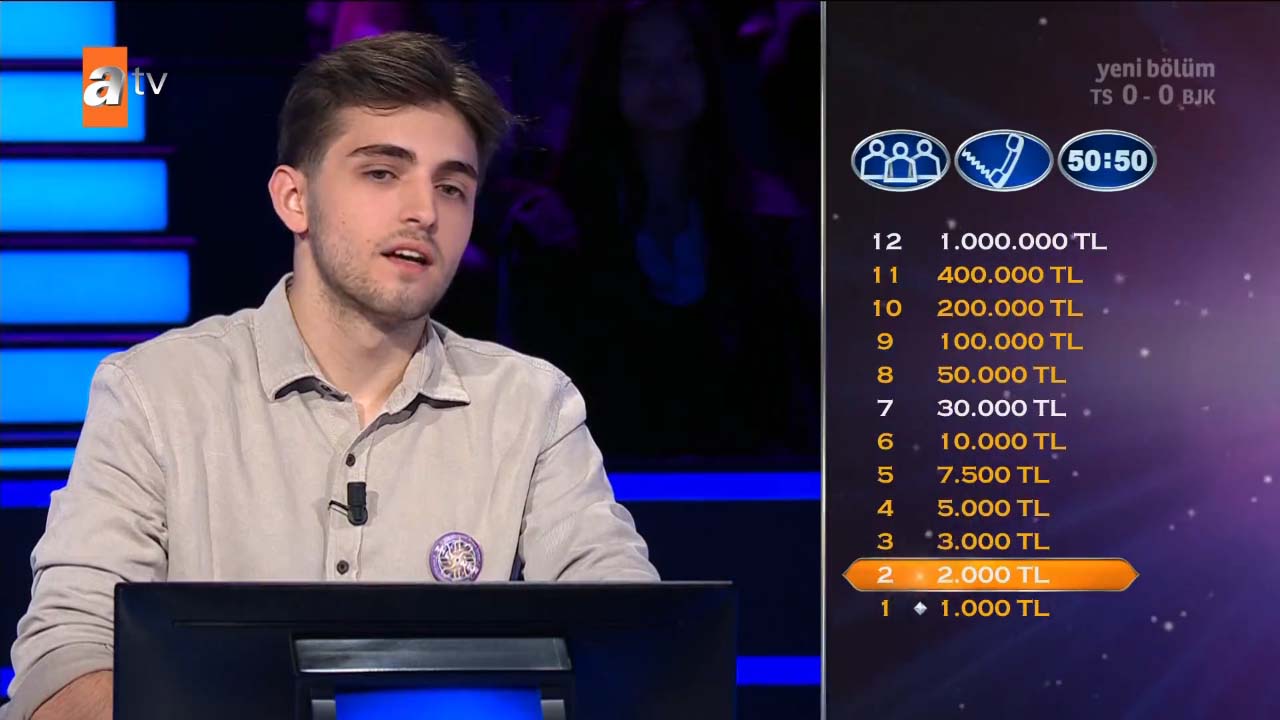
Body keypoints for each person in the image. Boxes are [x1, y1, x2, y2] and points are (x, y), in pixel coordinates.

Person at [2, 31, 658, 720]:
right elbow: (64, 662)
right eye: (382, 173)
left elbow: (635, 642)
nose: (424, 211)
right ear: (294, 198)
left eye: (452, 187)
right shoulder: (155, 392)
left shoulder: (531, 406)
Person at [508, 0, 818, 461]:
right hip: (602, 480)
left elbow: (793, 383)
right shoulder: (550, 228)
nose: (664, 81)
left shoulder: (769, 218)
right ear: (608, 77)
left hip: (748, 480)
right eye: (639, 63)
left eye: (682, 60)